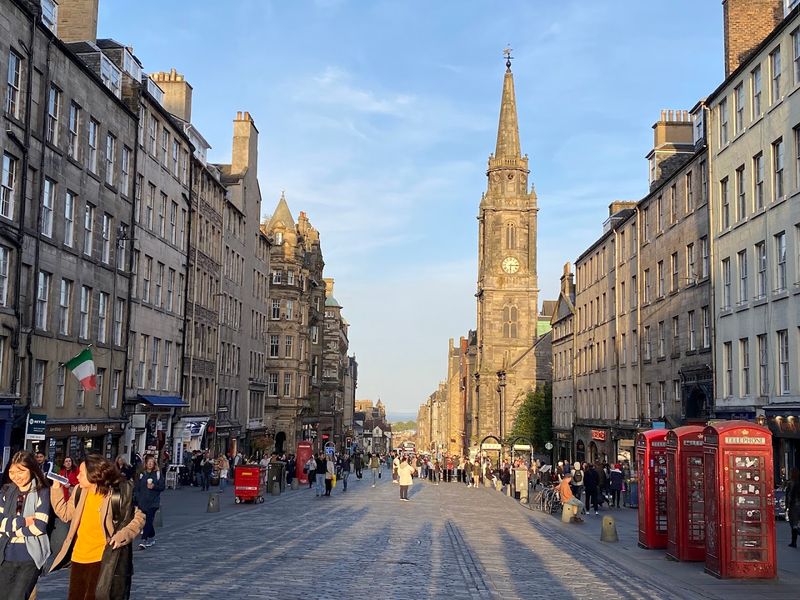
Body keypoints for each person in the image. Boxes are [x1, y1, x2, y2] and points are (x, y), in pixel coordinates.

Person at [50, 453, 145, 600]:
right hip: (78, 556)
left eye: (82, 473)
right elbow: (65, 514)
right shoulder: (79, 491)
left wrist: (123, 535)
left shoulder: (116, 493)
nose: (78, 477)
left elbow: (139, 517)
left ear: (94, 474)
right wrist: (56, 489)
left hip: (102, 558)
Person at [0, 450, 51, 600]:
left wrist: (9, 530)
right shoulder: (6, 491)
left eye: (21, 471)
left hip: (30, 557)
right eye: (11, 472)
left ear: (32, 469)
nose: (16, 476)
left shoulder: (42, 492)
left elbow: (38, 527)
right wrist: (22, 521)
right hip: (5, 554)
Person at [134, 454, 165, 550]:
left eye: (152, 463)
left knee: (149, 520)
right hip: (143, 501)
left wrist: (154, 487)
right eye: (149, 463)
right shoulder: (141, 474)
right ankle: (152, 536)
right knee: (146, 521)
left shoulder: (158, 474)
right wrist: (136, 499)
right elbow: (137, 487)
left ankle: (144, 540)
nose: (150, 464)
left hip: (153, 502)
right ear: (146, 464)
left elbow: (162, 487)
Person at [786, 467, 800, 548]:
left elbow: (789, 496)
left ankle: (794, 542)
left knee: (794, 525)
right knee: (795, 525)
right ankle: (793, 542)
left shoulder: (792, 483)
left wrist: (787, 506)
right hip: (796, 505)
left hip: (794, 506)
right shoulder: (793, 483)